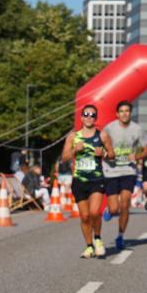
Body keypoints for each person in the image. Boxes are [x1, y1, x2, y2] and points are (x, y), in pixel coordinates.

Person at [61, 104, 115, 258]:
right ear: (81, 117)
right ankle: (89, 246)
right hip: (79, 180)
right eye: (86, 114)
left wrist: (103, 153)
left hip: (96, 179)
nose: (89, 117)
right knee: (84, 216)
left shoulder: (102, 135)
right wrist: (74, 150)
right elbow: (64, 158)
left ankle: (98, 238)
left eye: (92, 115)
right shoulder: (73, 137)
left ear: (96, 118)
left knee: (94, 212)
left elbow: (112, 155)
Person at [102, 100, 147, 251]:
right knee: (115, 208)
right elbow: (99, 146)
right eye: (121, 111)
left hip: (128, 170)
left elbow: (146, 149)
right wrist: (106, 154)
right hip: (110, 170)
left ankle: (120, 236)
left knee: (125, 203)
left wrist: (138, 156)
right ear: (117, 114)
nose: (124, 113)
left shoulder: (137, 129)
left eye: (127, 111)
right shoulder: (109, 128)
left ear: (130, 113)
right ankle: (109, 210)